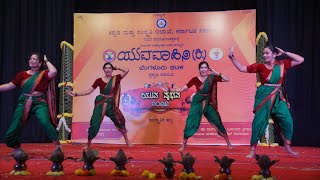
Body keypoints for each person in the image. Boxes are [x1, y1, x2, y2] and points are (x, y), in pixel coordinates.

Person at [228, 44, 304, 158]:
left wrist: (285, 53)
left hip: (278, 97)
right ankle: (252, 150)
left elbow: (300, 60)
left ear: (274, 54)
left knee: (287, 120)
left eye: (267, 53)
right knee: (258, 122)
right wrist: (232, 58)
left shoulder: (282, 64)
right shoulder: (260, 66)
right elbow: (242, 69)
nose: (264, 55)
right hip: (264, 96)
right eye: (263, 53)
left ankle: (287, 146)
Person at [160, 61, 232, 151]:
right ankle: (184, 145)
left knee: (217, 121)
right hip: (197, 102)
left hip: (208, 103)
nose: (203, 69)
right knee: (190, 122)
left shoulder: (212, 77)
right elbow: (182, 89)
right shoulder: (194, 79)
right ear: (199, 69)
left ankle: (228, 143)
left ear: (208, 69)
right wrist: (170, 91)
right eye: (201, 67)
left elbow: (227, 79)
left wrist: (216, 72)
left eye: (205, 67)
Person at [0, 53, 61, 154]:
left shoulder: (44, 74)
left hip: (39, 103)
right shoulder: (22, 75)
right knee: (14, 127)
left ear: (40, 63)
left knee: (45, 122)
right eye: (30, 58)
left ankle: (58, 146)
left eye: (34, 59)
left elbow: (54, 71)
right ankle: (16, 147)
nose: (31, 60)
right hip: (24, 102)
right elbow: (10, 85)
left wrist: (47, 61)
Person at [66, 62, 132, 149]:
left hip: (111, 104)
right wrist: (76, 94)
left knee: (119, 120)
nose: (108, 69)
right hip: (100, 103)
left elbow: (127, 70)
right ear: (103, 70)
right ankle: (88, 144)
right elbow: (89, 91)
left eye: (110, 68)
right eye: (106, 68)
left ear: (112, 70)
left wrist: (116, 67)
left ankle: (127, 141)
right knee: (94, 123)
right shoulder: (99, 80)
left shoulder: (116, 78)